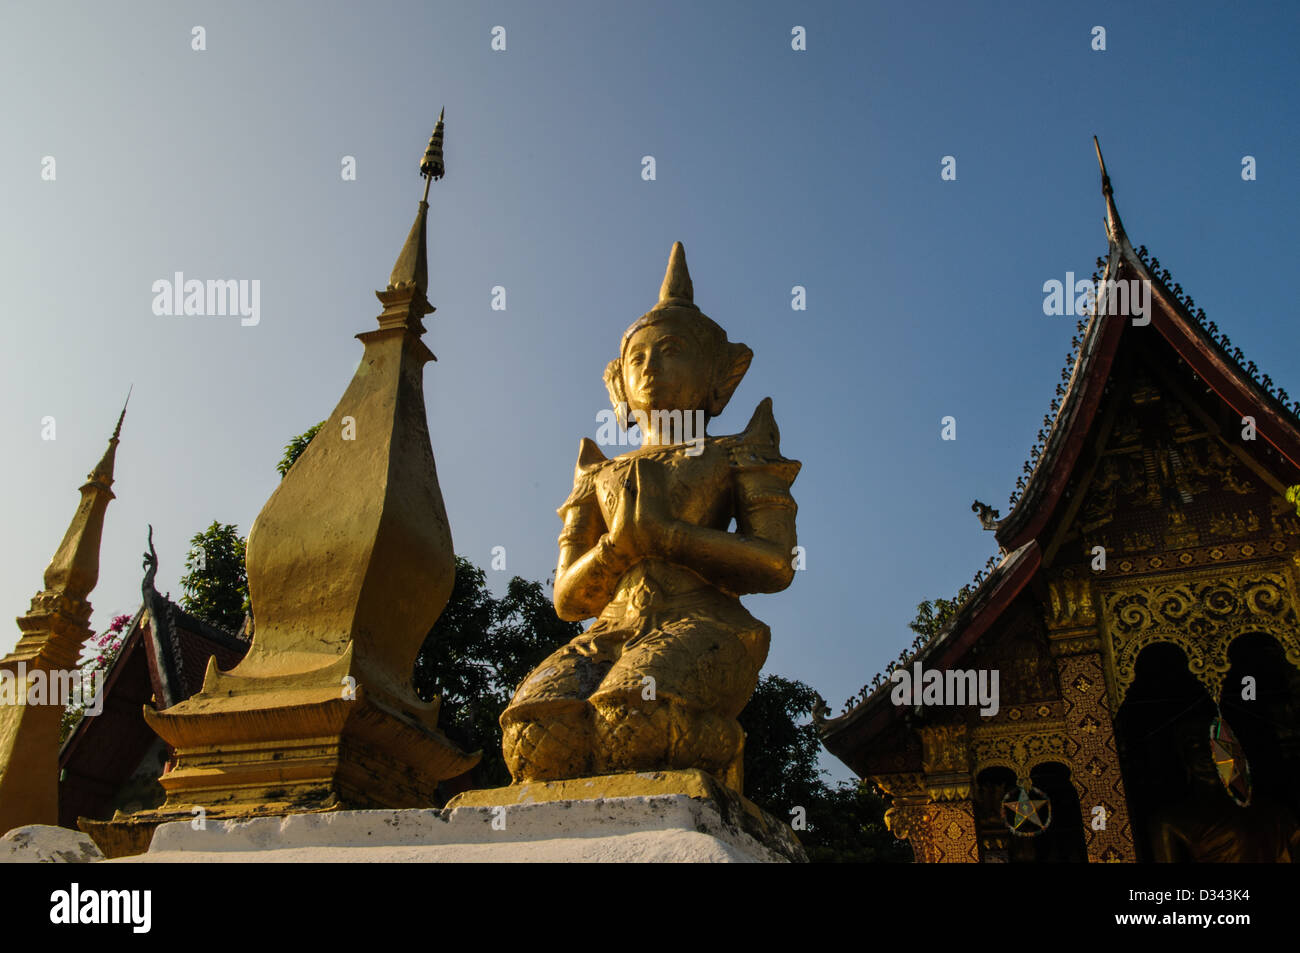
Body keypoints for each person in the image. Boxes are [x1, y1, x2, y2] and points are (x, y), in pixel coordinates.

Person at [500, 243, 800, 793]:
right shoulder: (599, 472)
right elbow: (568, 600)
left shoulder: (737, 454)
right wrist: (617, 550)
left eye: (672, 351)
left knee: (630, 726)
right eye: (638, 358)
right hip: (610, 630)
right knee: (533, 738)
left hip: (706, 626)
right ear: (618, 381)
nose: (651, 367)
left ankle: (721, 746)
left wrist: (671, 536)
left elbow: (776, 564)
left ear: (720, 376)